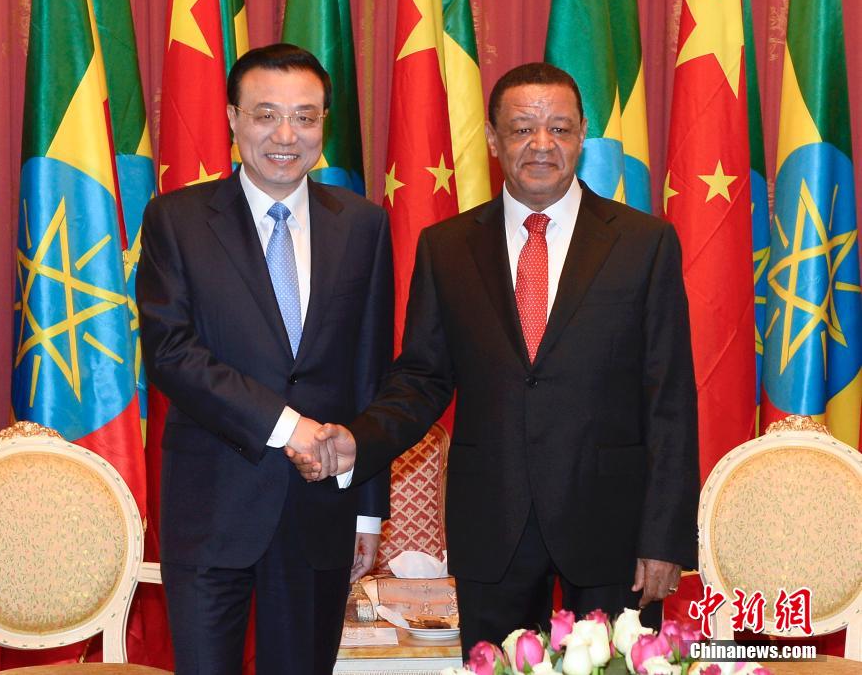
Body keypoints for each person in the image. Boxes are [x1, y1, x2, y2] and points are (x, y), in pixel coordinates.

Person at [289, 62, 699, 656]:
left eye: (559, 128)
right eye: (523, 128)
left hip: (613, 527)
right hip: (492, 522)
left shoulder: (644, 243)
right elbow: (422, 379)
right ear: (492, 138)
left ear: (583, 135)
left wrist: (663, 538)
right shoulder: (447, 246)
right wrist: (360, 440)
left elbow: (670, 400)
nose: (542, 144)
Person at [137, 43, 393, 675]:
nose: (285, 136)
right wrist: (288, 426)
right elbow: (171, 352)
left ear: (323, 123)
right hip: (212, 509)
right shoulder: (177, 219)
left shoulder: (362, 225)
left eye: (305, 117)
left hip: (320, 511)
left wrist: (366, 508)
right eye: (266, 115)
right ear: (233, 118)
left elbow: (370, 372)